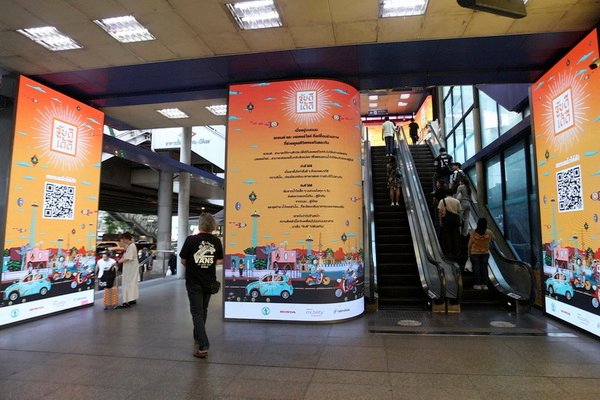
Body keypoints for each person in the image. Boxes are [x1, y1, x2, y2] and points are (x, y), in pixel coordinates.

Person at [179, 213, 223, 359]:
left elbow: (183, 260)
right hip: (209, 281)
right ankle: (197, 338)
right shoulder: (216, 241)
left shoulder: (191, 240)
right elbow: (220, 260)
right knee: (203, 311)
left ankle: (203, 345)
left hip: (194, 281)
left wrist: (195, 264)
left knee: (196, 313)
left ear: (200, 224)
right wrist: (208, 262)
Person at [468, 218, 495, 290]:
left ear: (478, 224)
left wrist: (469, 253)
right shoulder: (489, 232)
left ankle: (477, 284)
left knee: (476, 268)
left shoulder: (474, 232)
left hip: (474, 253)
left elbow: (470, 244)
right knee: (484, 268)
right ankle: (485, 285)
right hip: (485, 253)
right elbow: (493, 239)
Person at [438, 188, 462, 261]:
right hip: (455, 221)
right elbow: (459, 212)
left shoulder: (442, 201)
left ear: (446, 194)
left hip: (446, 221)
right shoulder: (457, 201)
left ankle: (448, 252)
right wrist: (460, 221)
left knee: (447, 236)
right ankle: (456, 252)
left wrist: (440, 221)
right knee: (455, 236)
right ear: (453, 194)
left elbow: (440, 212)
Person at [116, 232, 139, 309]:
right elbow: (125, 256)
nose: (122, 241)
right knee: (131, 283)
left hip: (130, 267)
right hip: (131, 267)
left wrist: (118, 262)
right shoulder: (130, 245)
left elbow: (128, 258)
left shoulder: (131, 246)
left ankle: (126, 301)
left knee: (127, 283)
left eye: (122, 239)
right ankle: (131, 299)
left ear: (126, 239)